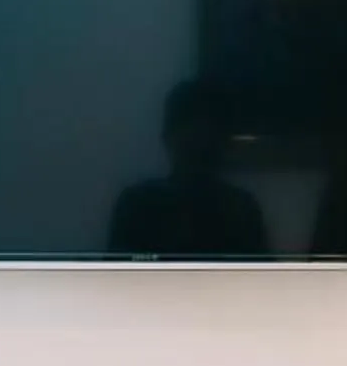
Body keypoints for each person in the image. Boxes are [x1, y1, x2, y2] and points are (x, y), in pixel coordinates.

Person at [106, 80, 269, 258]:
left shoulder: (243, 210)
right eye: (192, 133)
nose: (201, 142)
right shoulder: (242, 209)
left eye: (207, 132)